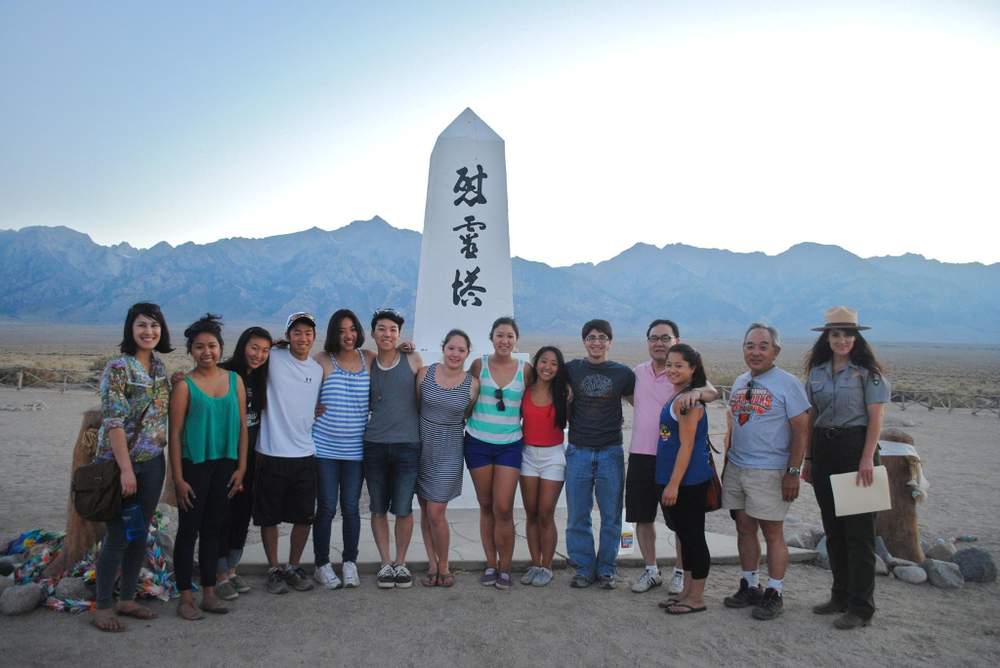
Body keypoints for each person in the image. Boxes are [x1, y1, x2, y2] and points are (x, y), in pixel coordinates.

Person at [803, 306, 890, 630]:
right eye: (836, 334)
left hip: (857, 450)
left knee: (860, 535)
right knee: (835, 530)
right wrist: (808, 459)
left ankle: (861, 607)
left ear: (857, 337)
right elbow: (811, 416)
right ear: (828, 337)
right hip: (824, 449)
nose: (842, 340)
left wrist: (867, 458)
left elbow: (876, 418)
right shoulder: (816, 373)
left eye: (848, 334)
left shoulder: (869, 374)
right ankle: (839, 595)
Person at [90, 303, 173, 632]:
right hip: (119, 465)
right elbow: (114, 422)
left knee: (140, 532)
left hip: (153, 462)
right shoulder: (118, 368)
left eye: (154, 326)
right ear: (130, 329)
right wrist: (125, 470)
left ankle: (127, 598)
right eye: (142, 325)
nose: (149, 331)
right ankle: (103, 606)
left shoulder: (160, 368)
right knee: (117, 536)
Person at [723, 323, 810, 620]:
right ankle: (750, 584)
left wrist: (793, 471)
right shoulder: (739, 381)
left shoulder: (787, 383)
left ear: (776, 351)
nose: (755, 352)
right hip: (738, 467)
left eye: (763, 346)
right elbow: (733, 424)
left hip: (771, 470)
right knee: (744, 529)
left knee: (773, 532)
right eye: (750, 345)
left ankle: (775, 591)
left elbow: (801, 429)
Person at [627, 320, 718, 595]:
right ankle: (651, 570)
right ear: (647, 342)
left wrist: (695, 393)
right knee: (642, 517)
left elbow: (711, 391)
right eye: (654, 338)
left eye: (665, 338)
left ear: (675, 341)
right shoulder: (637, 372)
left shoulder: (681, 373)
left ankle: (681, 572)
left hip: (674, 459)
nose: (659, 343)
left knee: (681, 522)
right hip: (641, 454)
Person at [169, 314, 248, 620]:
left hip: (226, 465)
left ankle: (209, 593)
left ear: (220, 348)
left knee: (214, 529)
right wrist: (178, 479)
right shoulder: (184, 386)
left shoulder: (234, 381)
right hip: (194, 466)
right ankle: (185, 597)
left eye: (212, 346)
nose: (207, 352)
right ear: (191, 350)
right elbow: (174, 435)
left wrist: (242, 467)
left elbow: (242, 426)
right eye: (199, 347)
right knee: (188, 531)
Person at [254, 312, 323, 594]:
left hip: (305, 453)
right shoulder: (273, 357)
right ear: (287, 335)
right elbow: (250, 355)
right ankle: (274, 569)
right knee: (269, 517)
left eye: (308, 333)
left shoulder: (317, 369)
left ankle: (293, 567)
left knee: (303, 516)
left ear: (314, 337)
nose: (302, 338)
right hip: (270, 451)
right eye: (296, 332)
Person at [565, 319, 636, 589]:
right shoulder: (571, 369)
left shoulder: (622, 373)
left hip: (610, 452)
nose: (597, 342)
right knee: (577, 515)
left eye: (602, 337)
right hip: (579, 451)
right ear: (584, 341)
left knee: (611, 515)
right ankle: (583, 568)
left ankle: (606, 568)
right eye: (591, 337)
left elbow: (643, 403)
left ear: (610, 342)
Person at [466, 317, 530, 590]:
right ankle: (491, 563)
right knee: (486, 506)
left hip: (510, 444)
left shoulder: (525, 370)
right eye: (500, 335)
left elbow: (542, 394)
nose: (504, 341)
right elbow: (461, 393)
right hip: (478, 443)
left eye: (510, 336)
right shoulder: (479, 365)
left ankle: (506, 565)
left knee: (503, 507)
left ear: (516, 340)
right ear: (491, 337)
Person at [311, 309, 373, 590]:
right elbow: (301, 390)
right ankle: (322, 564)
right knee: (325, 507)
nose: (348, 336)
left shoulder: (368, 358)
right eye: (341, 330)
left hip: (356, 451)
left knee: (350, 508)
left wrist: (406, 348)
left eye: (352, 329)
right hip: (324, 448)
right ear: (333, 333)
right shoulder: (322, 360)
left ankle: (350, 562)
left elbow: (395, 360)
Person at [364, 308, 424, 589]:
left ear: (400, 334)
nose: (387, 334)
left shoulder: (412, 359)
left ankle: (401, 563)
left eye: (392, 330)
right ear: (373, 332)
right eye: (381, 329)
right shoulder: (368, 362)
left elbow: (423, 400)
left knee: (403, 508)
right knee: (378, 507)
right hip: (374, 445)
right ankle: (385, 562)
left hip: (407, 445)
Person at [416, 330, 479, 587]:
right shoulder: (424, 374)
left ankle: (444, 565)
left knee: (436, 510)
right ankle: (432, 563)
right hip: (421, 447)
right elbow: (415, 405)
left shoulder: (472, 384)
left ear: (467, 353)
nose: (455, 354)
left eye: (461, 350)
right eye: (451, 348)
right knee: (424, 510)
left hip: (451, 449)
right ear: (443, 348)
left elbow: (468, 413)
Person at [214, 326, 272, 600]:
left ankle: (233, 569)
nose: (259, 355)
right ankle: (218, 573)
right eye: (254, 348)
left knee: (242, 513)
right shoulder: (223, 373)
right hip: (225, 455)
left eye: (265, 350)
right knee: (221, 514)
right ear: (242, 346)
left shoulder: (263, 377)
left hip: (252, 457)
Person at [656, 344, 715, 615]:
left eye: (679, 365)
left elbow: (687, 445)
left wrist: (673, 484)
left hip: (688, 481)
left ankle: (697, 597)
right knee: (685, 534)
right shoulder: (680, 395)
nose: (672, 370)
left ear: (693, 369)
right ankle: (686, 592)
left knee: (693, 537)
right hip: (676, 477)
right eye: (669, 364)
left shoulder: (689, 402)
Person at [519, 345, 570, 587]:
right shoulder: (524, 391)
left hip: (553, 458)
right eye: (543, 361)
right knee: (531, 512)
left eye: (553, 363)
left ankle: (547, 566)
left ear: (559, 369)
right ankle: (535, 562)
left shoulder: (564, 394)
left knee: (546, 512)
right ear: (536, 363)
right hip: (527, 456)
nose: (547, 367)